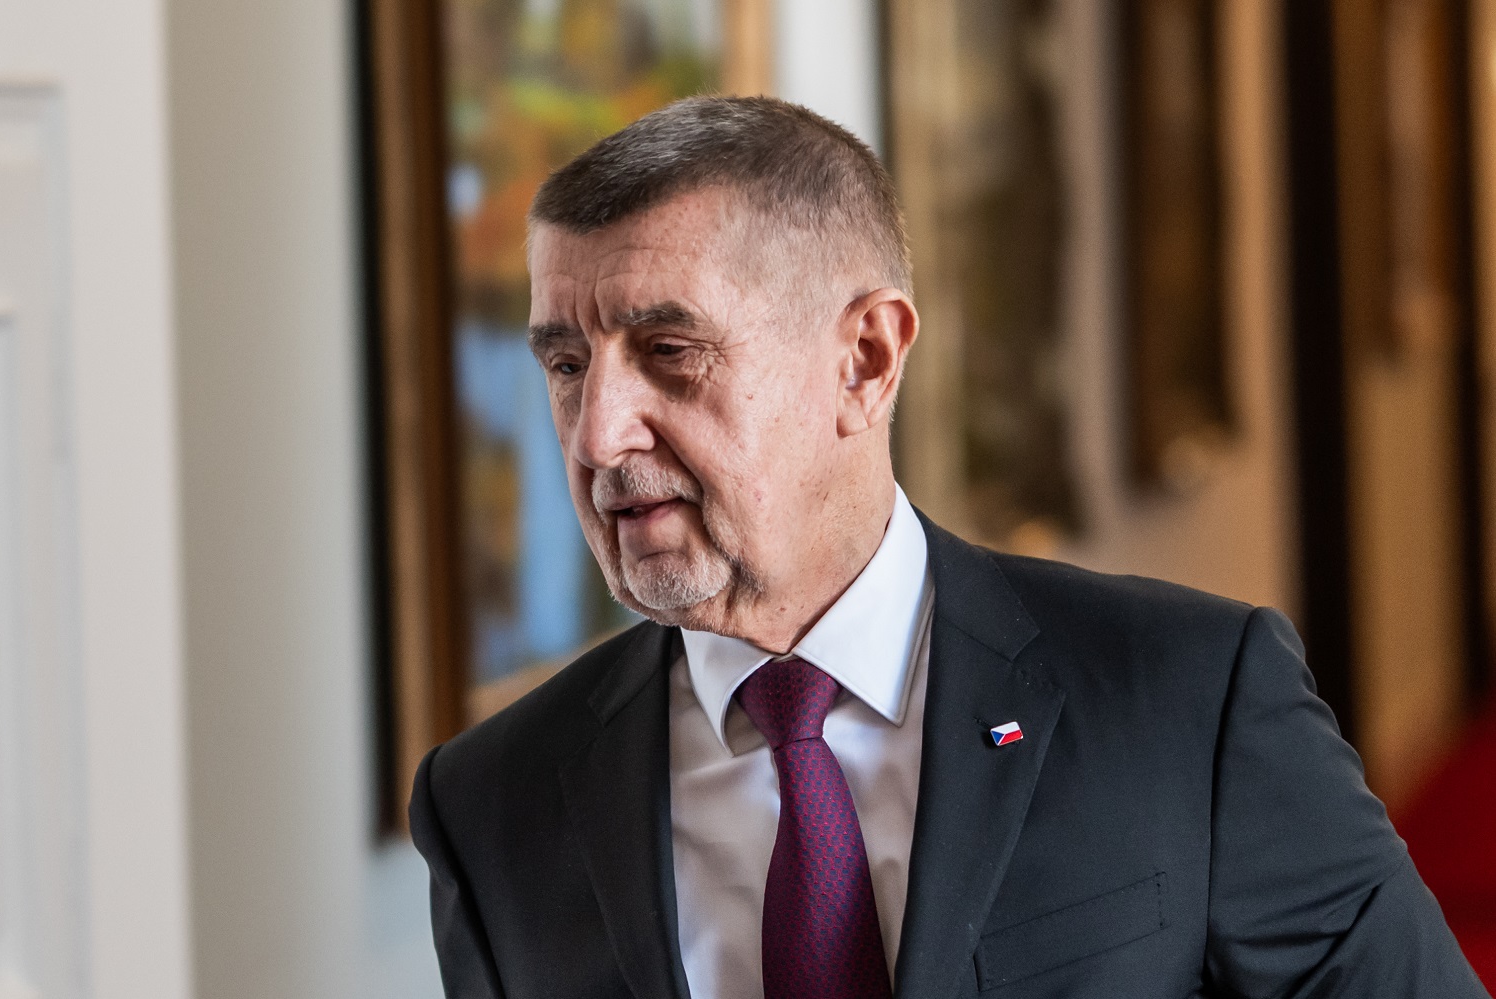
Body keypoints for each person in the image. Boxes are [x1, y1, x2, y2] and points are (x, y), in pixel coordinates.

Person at [410, 95, 1487, 999]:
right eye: (566, 366)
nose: (598, 436)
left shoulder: (1191, 700)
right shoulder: (492, 805)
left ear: (866, 361)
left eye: (669, 350)